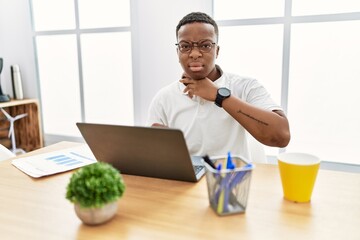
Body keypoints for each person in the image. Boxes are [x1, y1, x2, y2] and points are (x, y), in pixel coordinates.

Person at [147, 12, 290, 159]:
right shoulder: (163, 98)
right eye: (185, 46)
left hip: (230, 179)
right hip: (186, 180)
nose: (195, 53)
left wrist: (218, 95)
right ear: (178, 52)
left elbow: (281, 136)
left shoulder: (247, 86)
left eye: (205, 45)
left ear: (217, 51)